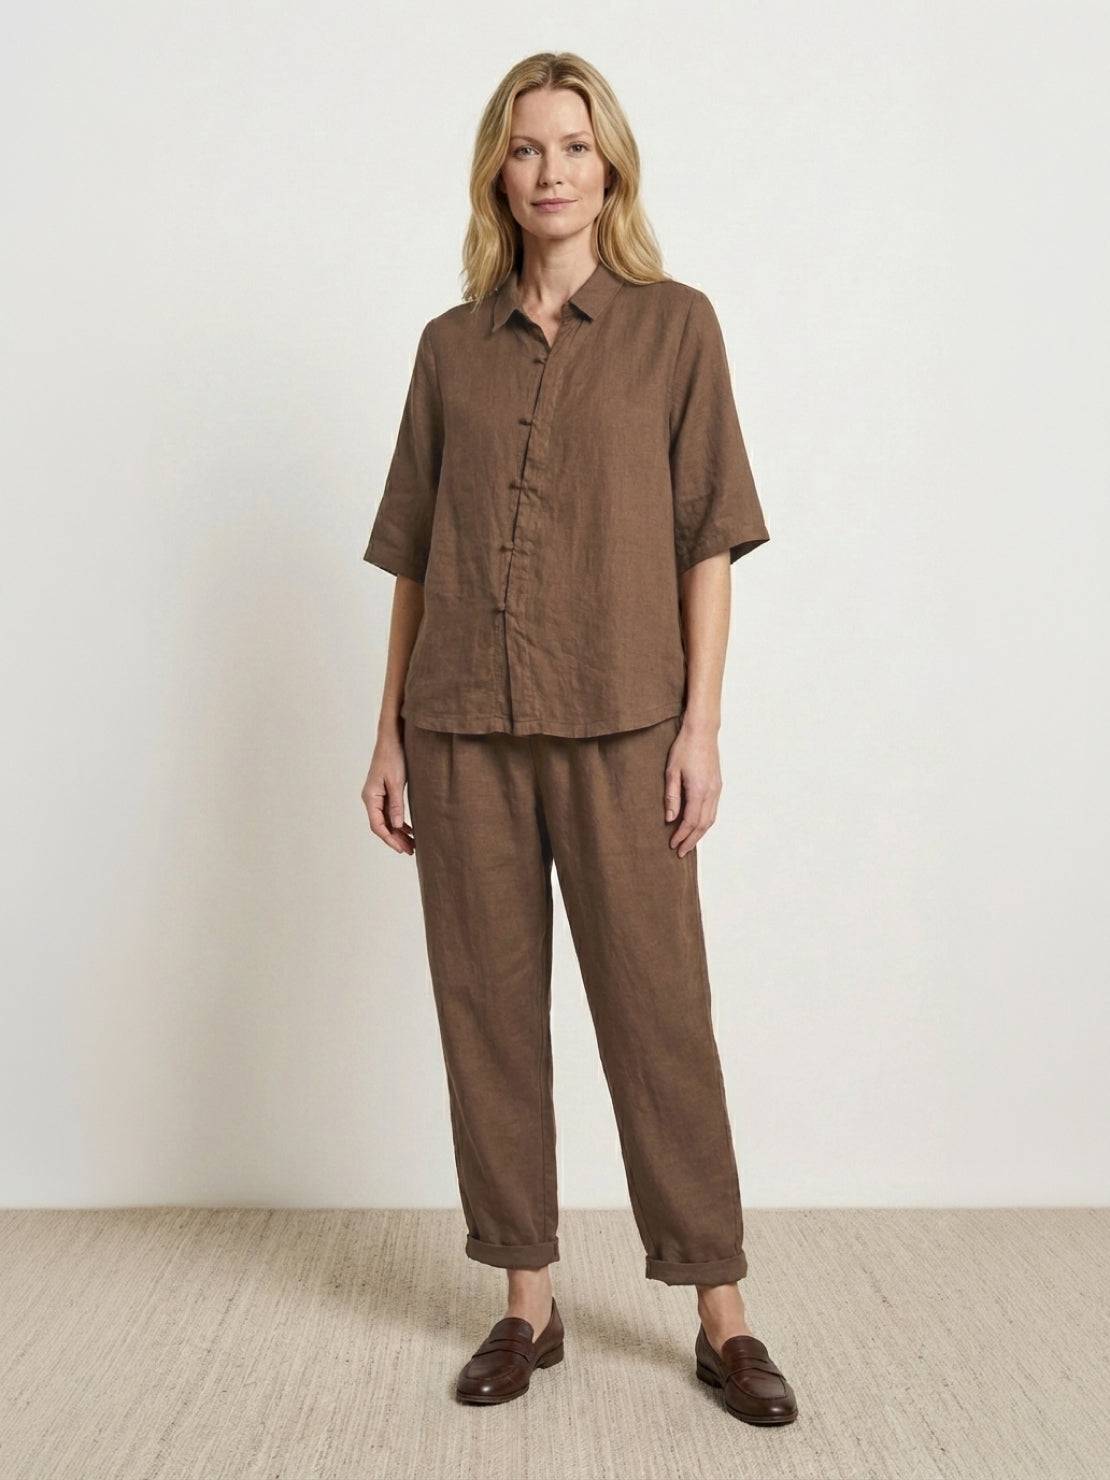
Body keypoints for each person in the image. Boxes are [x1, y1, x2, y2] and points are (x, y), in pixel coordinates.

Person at [360, 51, 798, 1426]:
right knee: (487, 1015)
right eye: (525, 146)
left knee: (659, 1015)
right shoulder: (449, 348)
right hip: (462, 724)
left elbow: (709, 541)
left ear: (610, 168)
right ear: (496, 173)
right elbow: (414, 557)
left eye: (572, 144)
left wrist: (701, 727)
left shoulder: (676, 329)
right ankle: (526, 1302)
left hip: (624, 723)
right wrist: (387, 735)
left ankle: (721, 1314)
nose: (549, 169)